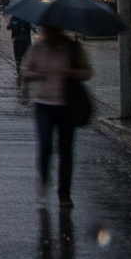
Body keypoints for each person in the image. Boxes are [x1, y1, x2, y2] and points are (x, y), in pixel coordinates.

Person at [21, 25, 92, 208]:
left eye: (53, 29)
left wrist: (71, 72)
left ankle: (64, 193)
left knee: (65, 150)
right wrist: (38, 74)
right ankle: (44, 179)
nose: (50, 33)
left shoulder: (72, 47)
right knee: (45, 146)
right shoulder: (37, 47)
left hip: (67, 106)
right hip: (43, 105)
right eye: (47, 30)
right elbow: (24, 71)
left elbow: (87, 72)